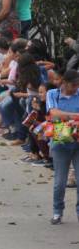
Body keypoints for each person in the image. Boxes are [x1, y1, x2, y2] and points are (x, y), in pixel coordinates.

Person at [46, 69, 79, 225]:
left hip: (77, 140)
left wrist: (66, 116)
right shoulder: (53, 94)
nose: (76, 88)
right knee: (60, 182)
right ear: (64, 82)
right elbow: (53, 113)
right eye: (73, 85)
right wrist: (74, 116)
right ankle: (57, 211)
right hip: (60, 140)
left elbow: (60, 114)